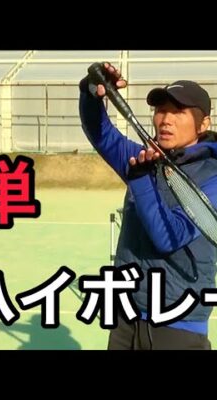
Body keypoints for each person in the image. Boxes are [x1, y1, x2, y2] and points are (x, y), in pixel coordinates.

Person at [79, 62, 217, 350]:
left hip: (178, 323)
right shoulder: (144, 158)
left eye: (178, 112)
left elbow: (170, 236)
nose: (166, 120)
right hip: (125, 317)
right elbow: (101, 134)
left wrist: (140, 180)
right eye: (161, 110)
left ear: (203, 124)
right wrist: (91, 93)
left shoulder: (212, 175)